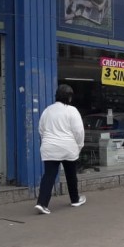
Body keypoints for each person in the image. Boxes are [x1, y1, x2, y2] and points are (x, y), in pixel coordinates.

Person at [35, 84, 86, 215]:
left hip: (49, 147)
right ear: (69, 98)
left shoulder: (47, 110)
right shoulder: (72, 111)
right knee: (71, 174)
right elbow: (79, 131)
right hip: (68, 147)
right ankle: (75, 199)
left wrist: (47, 141)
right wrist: (79, 146)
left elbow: (41, 129)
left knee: (49, 175)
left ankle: (42, 204)